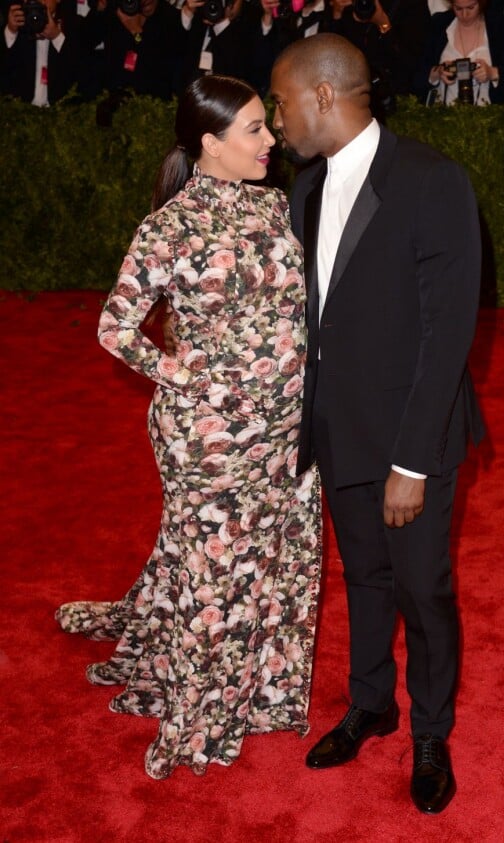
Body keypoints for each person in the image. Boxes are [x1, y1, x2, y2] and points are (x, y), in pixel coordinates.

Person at [55, 74, 321, 780]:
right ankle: (203, 714)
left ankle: (265, 695)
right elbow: (116, 327)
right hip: (207, 437)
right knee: (216, 573)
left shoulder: (277, 208)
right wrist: (187, 374)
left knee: (278, 563)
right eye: (255, 130)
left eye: (268, 126)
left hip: (287, 428)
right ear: (211, 142)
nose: (272, 141)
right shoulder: (169, 227)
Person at [270, 33, 484, 814]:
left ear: (323, 95)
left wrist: (414, 461)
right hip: (336, 430)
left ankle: (430, 730)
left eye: (282, 100)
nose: (277, 117)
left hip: (407, 440)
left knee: (422, 591)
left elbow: (447, 333)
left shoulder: (432, 180)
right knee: (363, 577)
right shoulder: (304, 186)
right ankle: (371, 704)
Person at [420, 0, 504, 105]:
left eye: (471, 8)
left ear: (481, 3)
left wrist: (492, 73)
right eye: (458, 8)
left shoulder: (500, 25)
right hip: (442, 113)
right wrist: (438, 72)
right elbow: (418, 73)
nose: (465, 14)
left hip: (489, 115)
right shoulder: (439, 24)